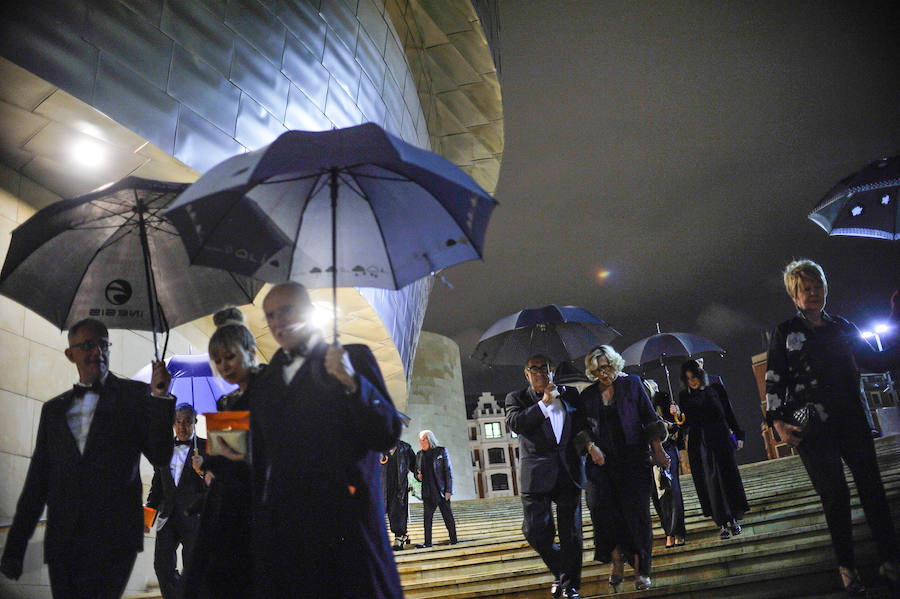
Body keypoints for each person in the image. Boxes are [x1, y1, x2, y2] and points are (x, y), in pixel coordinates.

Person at [248, 282, 404, 598]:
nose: (277, 321)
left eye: (286, 310)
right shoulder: (264, 382)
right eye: (270, 315)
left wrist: (352, 383)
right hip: (287, 533)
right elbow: (258, 455)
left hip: (345, 528)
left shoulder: (354, 358)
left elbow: (386, 433)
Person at [0, 318, 174, 599]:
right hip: (63, 540)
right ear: (71, 354)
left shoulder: (136, 396)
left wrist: (160, 398)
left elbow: (161, 455)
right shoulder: (53, 411)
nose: (98, 351)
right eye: (88, 345)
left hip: (115, 539)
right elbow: (37, 484)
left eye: (103, 344)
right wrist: (15, 549)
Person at [766, 259, 900, 594]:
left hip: (851, 419)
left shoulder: (843, 326)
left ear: (825, 289)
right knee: (835, 496)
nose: (813, 293)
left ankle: (890, 559)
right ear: (794, 296)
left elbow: (876, 360)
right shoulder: (785, 332)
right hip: (811, 426)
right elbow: (773, 381)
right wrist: (778, 424)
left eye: (817, 287)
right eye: (805, 289)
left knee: (873, 490)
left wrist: (897, 316)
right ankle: (847, 566)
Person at [576, 345, 669, 593]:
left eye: (605, 367)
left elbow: (649, 419)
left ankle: (641, 568)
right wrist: (590, 446)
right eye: (597, 370)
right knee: (602, 512)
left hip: (633, 461)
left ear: (614, 364)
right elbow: (581, 429)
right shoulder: (588, 396)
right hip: (601, 464)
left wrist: (658, 451)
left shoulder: (633, 385)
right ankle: (616, 561)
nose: (602, 374)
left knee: (636, 516)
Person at [183, 307, 261, 599]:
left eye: (230, 357)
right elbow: (225, 454)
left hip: (256, 501)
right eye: (217, 360)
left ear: (250, 351)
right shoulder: (227, 400)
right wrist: (208, 461)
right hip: (227, 502)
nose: (224, 365)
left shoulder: (266, 389)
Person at [505, 354, 585, 599]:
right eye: (534, 369)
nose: (540, 372)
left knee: (571, 533)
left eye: (545, 367)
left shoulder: (571, 393)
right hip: (536, 476)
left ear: (552, 371)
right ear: (526, 374)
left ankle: (569, 585)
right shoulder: (516, 398)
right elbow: (516, 423)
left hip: (568, 472)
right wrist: (544, 403)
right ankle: (562, 572)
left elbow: (582, 426)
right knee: (535, 531)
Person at [673, 359, 748, 540]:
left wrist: (738, 434)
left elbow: (729, 413)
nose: (693, 381)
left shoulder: (716, 389)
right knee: (711, 484)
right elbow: (685, 425)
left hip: (720, 439)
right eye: (688, 378)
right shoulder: (684, 396)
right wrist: (676, 415)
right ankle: (721, 523)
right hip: (700, 446)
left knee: (727, 478)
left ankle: (733, 520)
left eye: (695, 377)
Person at [146, 403, 207, 599]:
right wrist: (147, 518)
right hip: (168, 517)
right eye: (178, 422)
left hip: (195, 518)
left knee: (194, 568)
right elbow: (157, 488)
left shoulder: (206, 447)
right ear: (173, 423)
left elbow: (218, 486)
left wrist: (202, 471)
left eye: (187, 422)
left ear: (195, 423)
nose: (182, 427)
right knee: (162, 567)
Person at [645, 380, 686, 549]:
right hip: (649, 455)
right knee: (657, 495)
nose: (651, 388)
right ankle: (668, 532)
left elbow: (678, 427)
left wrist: (674, 417)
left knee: (672, 491)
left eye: (653, 386)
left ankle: (678, 531)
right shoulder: (639, 407)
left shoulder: (664, 402)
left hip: (668, 449)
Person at [414, 430, 458, 549]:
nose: (422, 442)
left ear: (430, 439)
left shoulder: (441, 451)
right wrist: (418, 477)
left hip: (441, 491)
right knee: (427, 519)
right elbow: (416, 473)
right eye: (420, 440)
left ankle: (454, 540)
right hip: (427, 492)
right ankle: (427, 543)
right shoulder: (419, 455)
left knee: (448, 517)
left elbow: (448, 471)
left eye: (424, 439)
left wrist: (448, 490)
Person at [382, 439, 416, 549]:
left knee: (398, 512)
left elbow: (415, 466)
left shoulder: (405, 448)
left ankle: (399, 537)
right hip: (383, 487)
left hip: (399, 487)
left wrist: (420, 474)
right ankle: (403, 535)